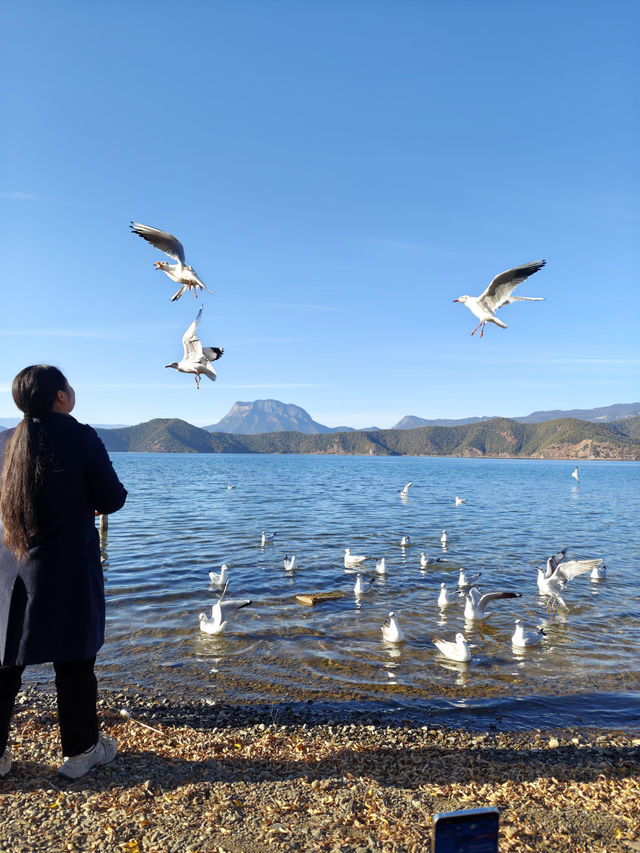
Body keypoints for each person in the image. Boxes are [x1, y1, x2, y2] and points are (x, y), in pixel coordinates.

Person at [0, 365, 127, 779]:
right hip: (67, 566)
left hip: (9, 568)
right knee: (74, 661)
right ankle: (81, 751)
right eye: (68, 386)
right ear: (60, 396)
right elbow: (112, 497)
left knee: (5, 664)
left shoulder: (5, 441)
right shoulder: (80, 436)